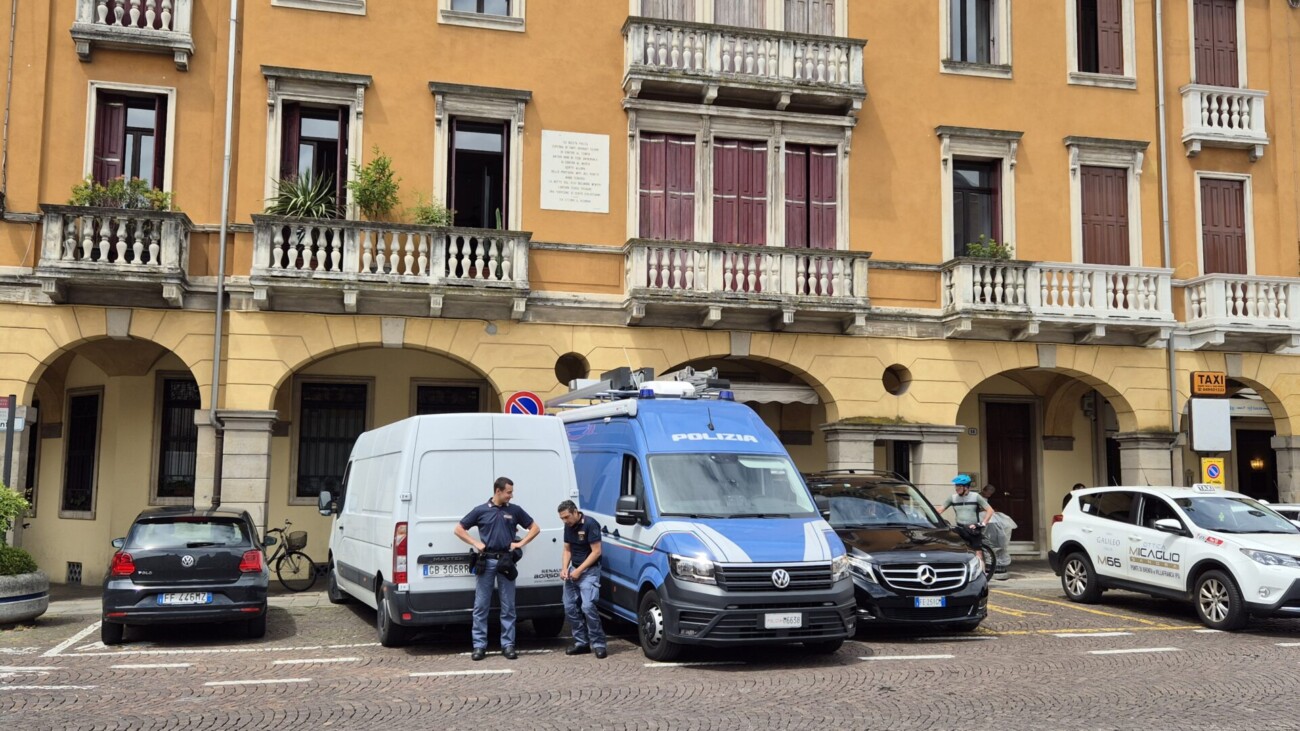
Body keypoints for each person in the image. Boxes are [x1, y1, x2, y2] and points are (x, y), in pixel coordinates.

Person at [454, 476, 540, 661]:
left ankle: (508, 645)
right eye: (509, 492)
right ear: (498, 491)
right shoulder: (481, 510)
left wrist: (521, 543)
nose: (511, 495)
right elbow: (459, 529)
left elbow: (535, 528)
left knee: (508, 606)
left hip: (506, 562)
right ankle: (479, 646)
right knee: (481, 606)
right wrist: (476, 543)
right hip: (487, 561)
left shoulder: (515, 510)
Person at [558, 500, 607, 659]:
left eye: (566, 517)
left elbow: (596, 552)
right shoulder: (568, 526)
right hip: (574, 570)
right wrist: (565, 568)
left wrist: (579, 570)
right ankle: (581, 642)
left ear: (575, 512)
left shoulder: (591, 524)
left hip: (589, 572)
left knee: (588, 607)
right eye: (562, 519)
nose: (565, 521)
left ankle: (598, 643)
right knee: (569, 607)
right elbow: (567, 550)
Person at [935, 474, 994, 553]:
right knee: (958, 551)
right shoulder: (952, 498)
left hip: (973, 529)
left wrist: (983, 523)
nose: (956, 488)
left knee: (978, 553)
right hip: (960, 529)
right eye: (956, 486)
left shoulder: (976, 496)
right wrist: (929, 518)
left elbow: (990, 510)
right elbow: (940, 510)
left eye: (959, 486)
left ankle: (981, 565)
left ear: (966, 487)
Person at [979, 484, 1016, 580]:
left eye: (991, 494)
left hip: (991, 519)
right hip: (984, 519)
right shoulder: (978, 497)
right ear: (984, 490)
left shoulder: (990, 499)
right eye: (988, 493)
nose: (989, 495)